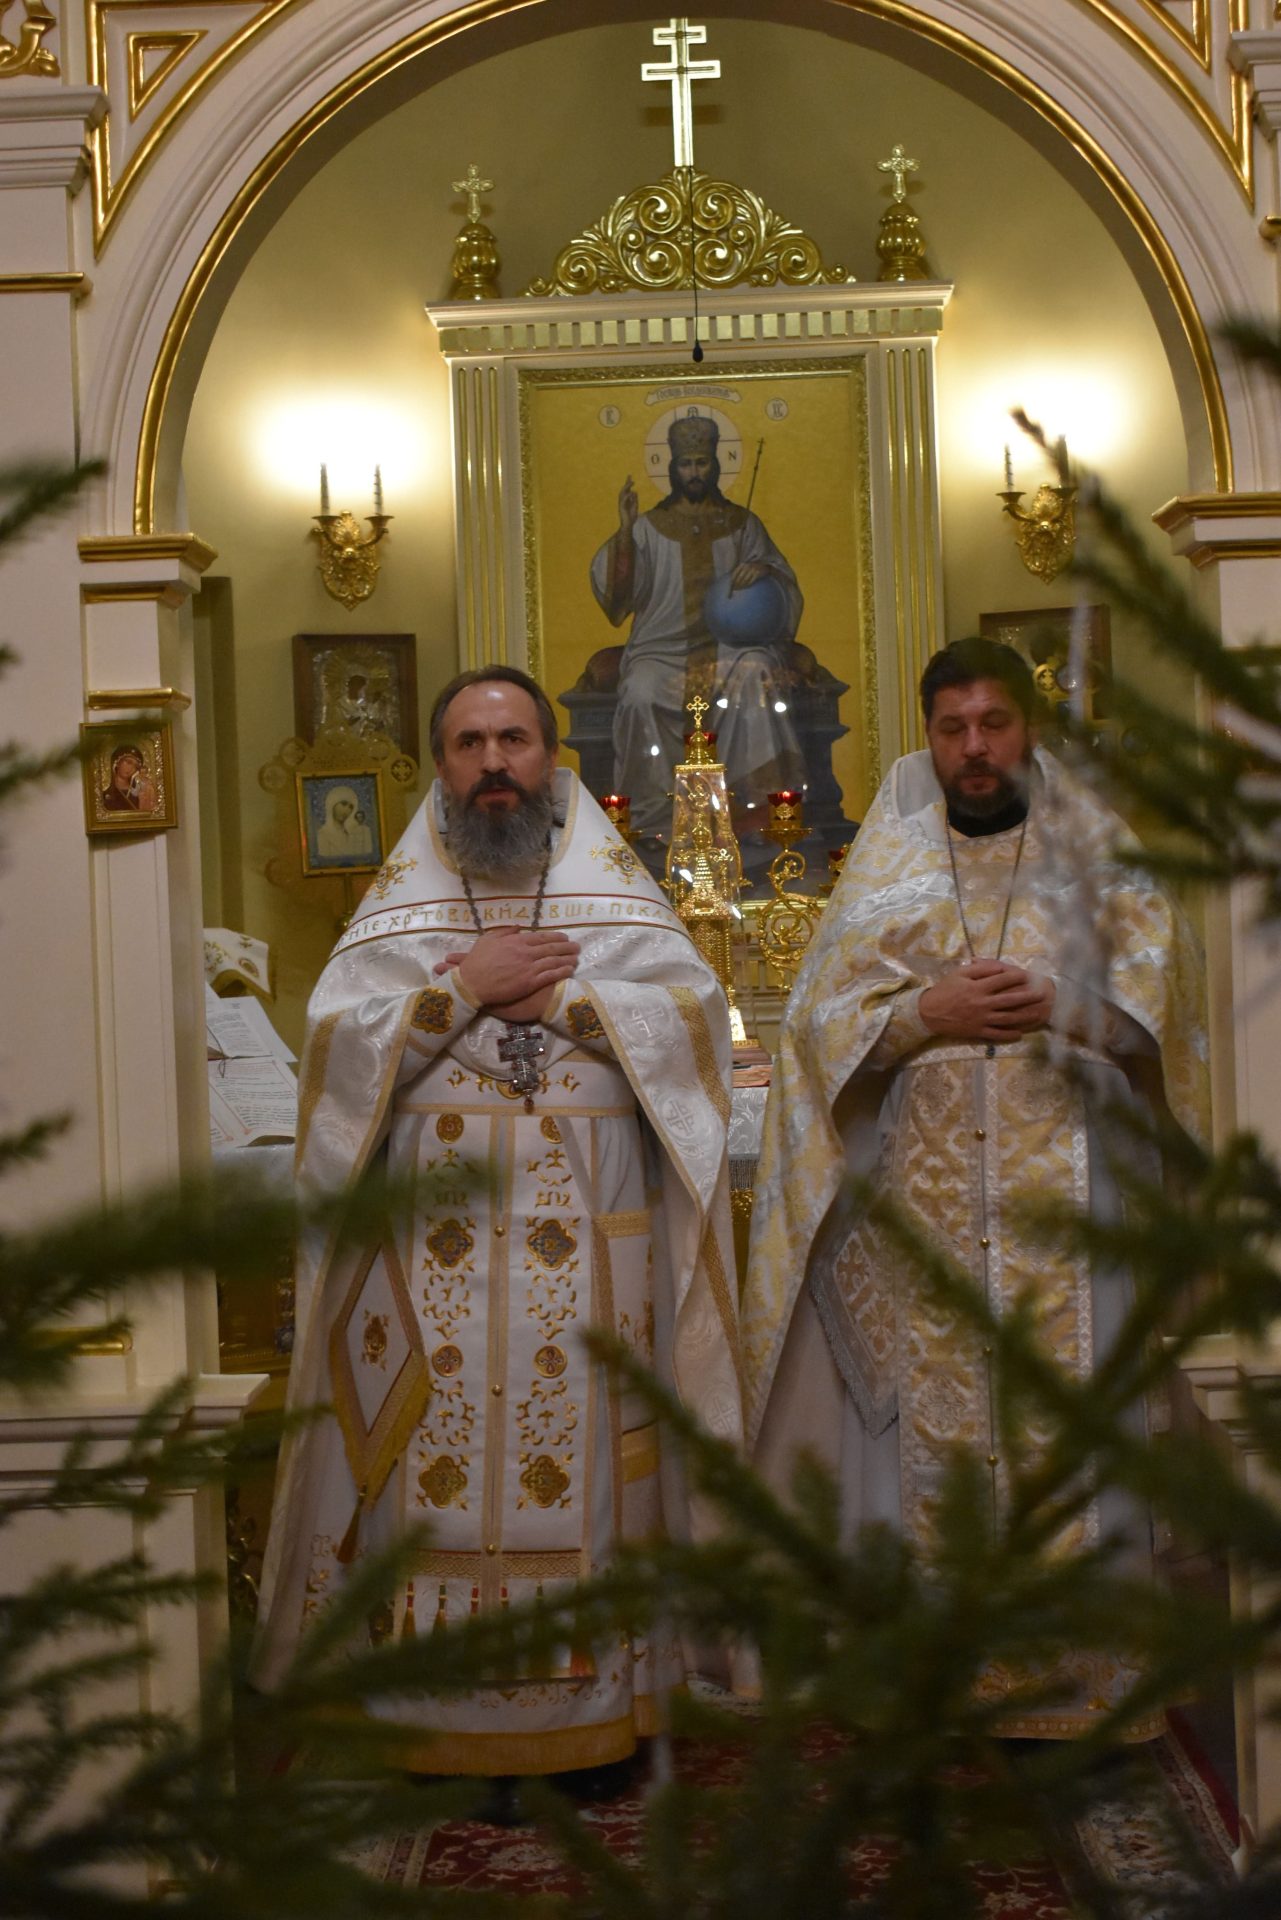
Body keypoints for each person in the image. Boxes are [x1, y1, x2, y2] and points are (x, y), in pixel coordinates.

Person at [255, 664, 742, 1785]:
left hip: (592, 1281)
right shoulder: (402, 909)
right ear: (440, 766)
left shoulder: (614, 899)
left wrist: (565, 998)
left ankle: (597, 1726)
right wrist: (460, 988)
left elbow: (696, 1030)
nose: (492, 764)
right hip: (434, 1276)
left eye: (513, 740)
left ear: (552, 759)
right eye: (469, 744)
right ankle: (439, 1724)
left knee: (589, 1488)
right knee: (431, 1483)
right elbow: (332, 1061)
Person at [741, 636, 1208, 1740]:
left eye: (994, 723)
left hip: (1073, 1206)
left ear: (1027, 730)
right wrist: (921, 1016)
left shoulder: (1102, 857)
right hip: (927, 1208)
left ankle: (1089, 1696)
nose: (975, 748)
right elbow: (814, 1027)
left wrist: (1063, 1001)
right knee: (932, 1436)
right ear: (929, 738)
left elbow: (1167, 1011)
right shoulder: (890, 863)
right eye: (952, 729)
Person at [590, 412, 805, 838]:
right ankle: (654, 822)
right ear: (672, 467)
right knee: (640, 692)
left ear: (715, 465)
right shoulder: (648, 528)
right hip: (661, 649)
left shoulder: (743, 524)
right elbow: (618, 598)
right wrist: (625, 531)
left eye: (702, 463)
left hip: (730, 648)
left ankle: (756, 813)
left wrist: (764, 571)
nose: (694, 472)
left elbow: (782, 583)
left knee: (757, 671)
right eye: (686, 464)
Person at [316, 783, 373, 859]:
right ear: (332, 804)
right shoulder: (323, 833)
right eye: (343, 804)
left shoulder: (360, 832)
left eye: (351, 807)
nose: (347, 810)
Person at [100, 744, 156, 813]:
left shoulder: (139, 792)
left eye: (136, 766)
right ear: (117, 762)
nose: (131, 768)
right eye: (129, 762)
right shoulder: (105, 794)